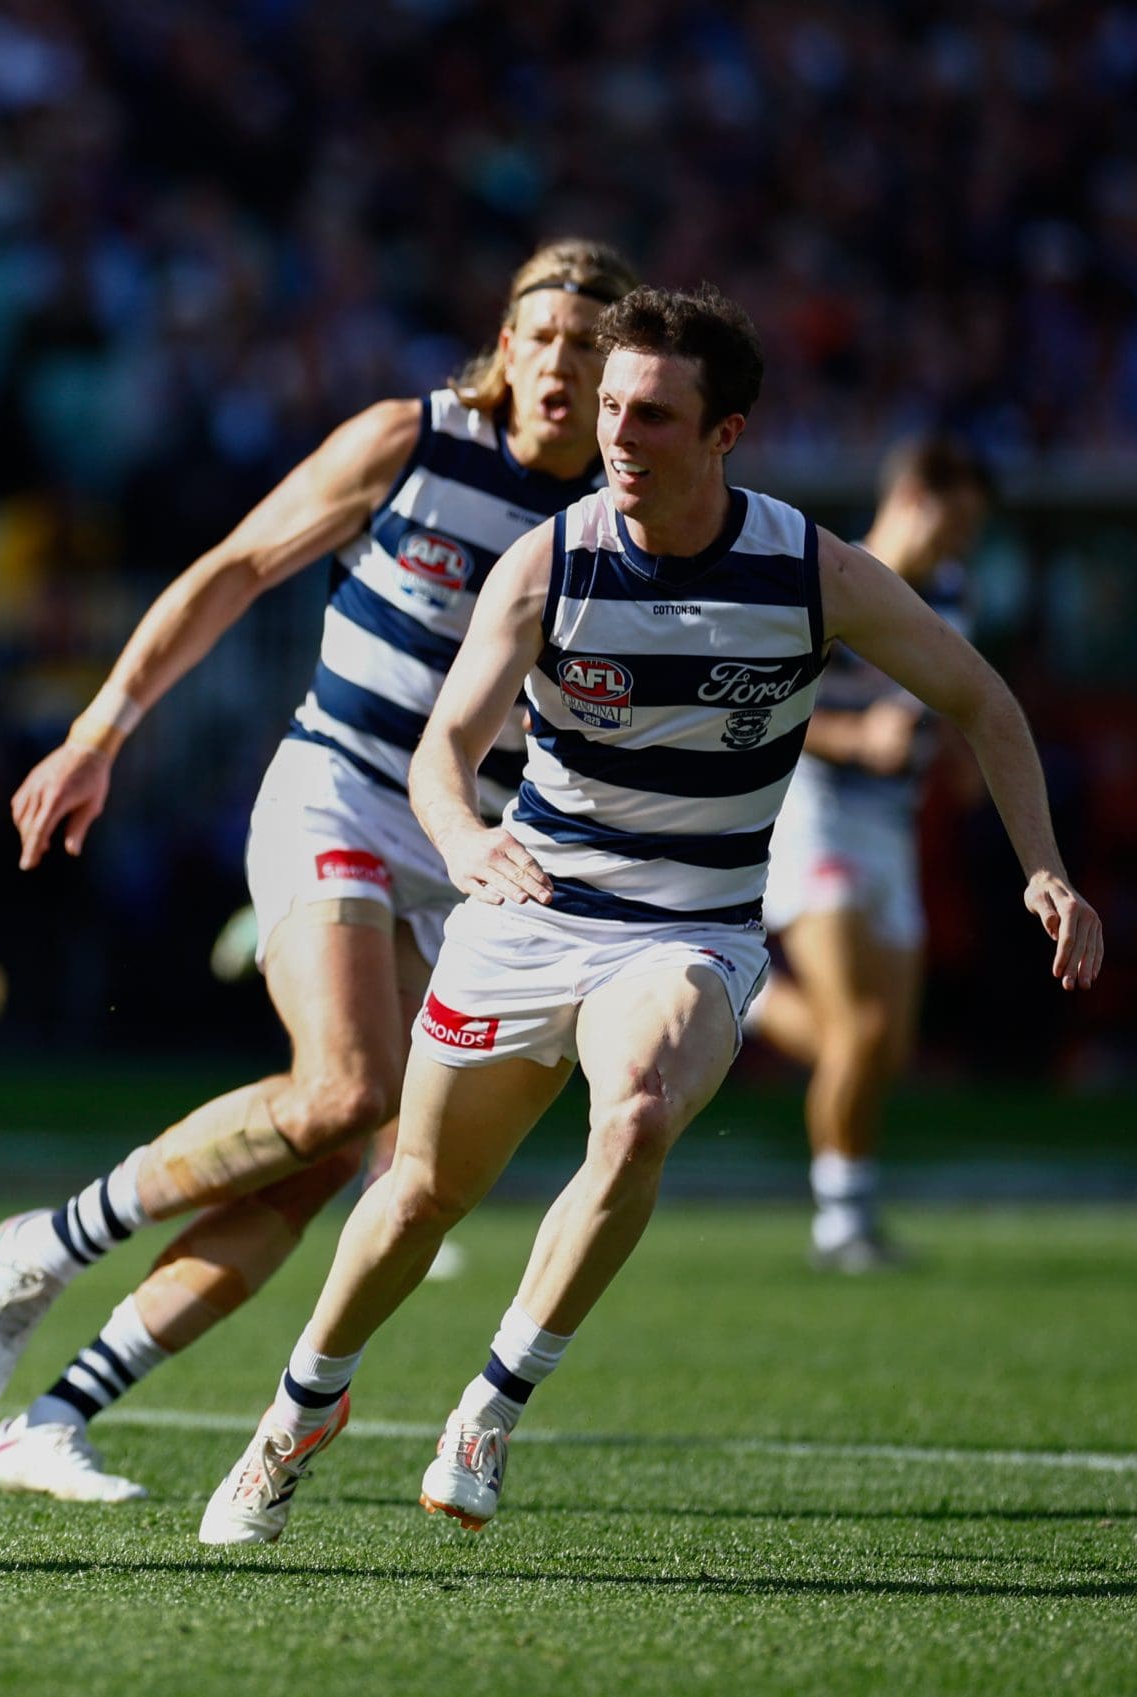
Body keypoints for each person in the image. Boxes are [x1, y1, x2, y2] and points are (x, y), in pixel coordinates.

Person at [198, 286, 1103, 1547]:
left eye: (654, 416)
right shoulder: (551, 558)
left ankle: (493, 1402)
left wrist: (1043, 869)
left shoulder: (810, 570)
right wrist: (462, 839)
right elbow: (443, 749)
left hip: (691, 932)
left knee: (632, 1115)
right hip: (533, 909)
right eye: (612, 408)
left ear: (724, 433)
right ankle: (295, 1417)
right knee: (416, 1197)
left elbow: (984, 702)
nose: (618, 435)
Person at [0, 240, 639, 1502]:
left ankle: (46, 1418)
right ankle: (45, 1242)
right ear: (504, 342)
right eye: (541, 337)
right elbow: (235, 569)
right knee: (343, 1092)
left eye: (587, 350)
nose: (558, 365)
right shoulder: (409, 442)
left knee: (332, 1152)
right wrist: (102, 730)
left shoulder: (620, 524)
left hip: (468, 855)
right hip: (335, 787)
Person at [750, 436, 992, 1270]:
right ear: (916, 498)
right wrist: (857, 739)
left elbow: (954, 691)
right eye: (956, 522)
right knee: (859, 1026)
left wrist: (959, 756)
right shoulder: (834, 582)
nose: (962, 543)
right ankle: (843, 1220)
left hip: (892, 824)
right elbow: (764, 713)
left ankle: (747, 994)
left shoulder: (953, 589)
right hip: (817, 811)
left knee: (883, 1047)